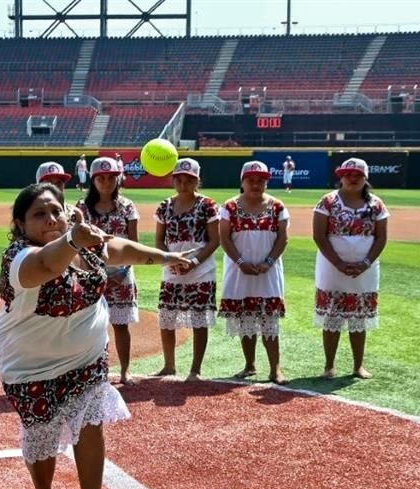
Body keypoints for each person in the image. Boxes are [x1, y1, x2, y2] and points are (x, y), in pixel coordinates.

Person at [0, 182, 191, 489]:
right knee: (40, 429)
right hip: (28, 365)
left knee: (90, 423)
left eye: (56, 210)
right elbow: (48, 265)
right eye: (39, 214)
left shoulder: (86, 245)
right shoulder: (19, 258)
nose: (51, 218)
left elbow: (119, 248)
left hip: (86, 359)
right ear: (21, 225)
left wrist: (164, 257)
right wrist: (72, 240)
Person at [312, 158, 389, 379]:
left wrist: (365, 263)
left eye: (357, 175)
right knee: (332, 316)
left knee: (359, 318)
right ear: (341, 177)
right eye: (348, 175)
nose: (352, 179)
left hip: (365, 269)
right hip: (331, 268)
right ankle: (329, 366)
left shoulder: (376, 205)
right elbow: (319, 235)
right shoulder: (327, 202)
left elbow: (381, 237)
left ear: (366, 178)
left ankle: (358, 366)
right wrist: (338, 263)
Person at [218, 160, 289, 385]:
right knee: (245, 317)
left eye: (261, 180)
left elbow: (282, 238)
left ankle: (275, 369)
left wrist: (268, 262)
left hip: (268, 271)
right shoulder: (229, 206)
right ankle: (249, 365)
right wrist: (240, 262)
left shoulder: (277, 206)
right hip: (239, 270)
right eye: (251, 180)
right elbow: (225, 238)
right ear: (243, 181)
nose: (256, 184)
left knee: (269, 319)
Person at [153, 158, 220, 381]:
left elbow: (214, 240)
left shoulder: (207, 205)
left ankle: (195, 370)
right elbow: (159, 241)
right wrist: (170, 260)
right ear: (173, 180)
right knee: (167, 317)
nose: (183, 184)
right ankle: (169, 365)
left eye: (189, 180)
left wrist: (194, 262)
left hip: (200, 271)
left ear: (197, 181)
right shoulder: (164, 206)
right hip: (172, 270)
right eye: (179, 179)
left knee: (199, 319)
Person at [75, 157, 140, 385]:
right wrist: (97, 272)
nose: (106, 182)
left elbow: (134, 244)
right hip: (91, 274)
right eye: (101, 178)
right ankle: (94, 371)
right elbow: (77, 245)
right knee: (91, 326)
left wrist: (121, 272)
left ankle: (125, 370)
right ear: (93, 180)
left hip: (122, 275)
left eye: (112, 177)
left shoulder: (127, 206)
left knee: (121, 325)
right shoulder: (82, 209)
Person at [0, 161, 78, 303]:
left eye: (59, 182)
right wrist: (2, 278)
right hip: (37, 274)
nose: (55, 186)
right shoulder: (28, 211)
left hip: (67, 275)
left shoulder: (75, 213)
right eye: (49, 182)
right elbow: (13, 247)